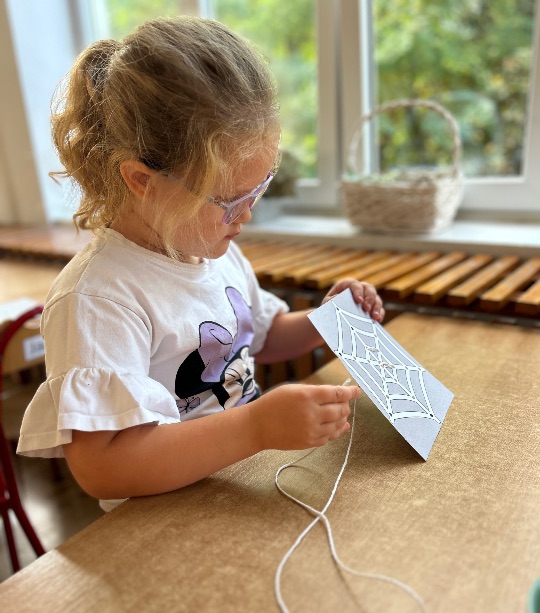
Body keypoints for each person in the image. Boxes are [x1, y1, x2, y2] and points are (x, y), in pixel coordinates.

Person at [18, 16, 384, 511]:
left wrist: (328, 321)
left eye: (259, 189)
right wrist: (255, 427)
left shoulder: (214, 252)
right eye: (231, 200)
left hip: (236, 493)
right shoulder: (99, 298)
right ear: (142, 180)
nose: (247, 214)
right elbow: (103, 467)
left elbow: (261, 336)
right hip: (163, 523)